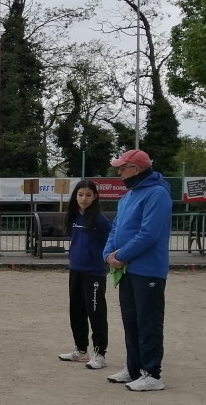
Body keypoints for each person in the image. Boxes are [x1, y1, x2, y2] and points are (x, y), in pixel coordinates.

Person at [102, 149, 172, 391]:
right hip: (126, 269)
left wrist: (120, 255)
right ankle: (134, 369)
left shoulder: (157, 194)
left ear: (138, 168)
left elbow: (148, 234)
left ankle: (152, 373)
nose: (119, 172)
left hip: (148, 270)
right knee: (131, 320)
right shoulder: (127, 196)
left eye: (123, 167)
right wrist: (108, 254)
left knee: (148, 321)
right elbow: (115, 229)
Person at [57, 180, 112, 370]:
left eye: (88, 195)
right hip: (76, 271)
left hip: (94, 273)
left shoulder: (100, 221)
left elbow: (110, 242)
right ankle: (81, 350)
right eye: (80, 194)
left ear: (95, 197)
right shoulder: (73, 217)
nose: (84, 199)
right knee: (76, 311)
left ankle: (100, 354)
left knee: (96, 313)